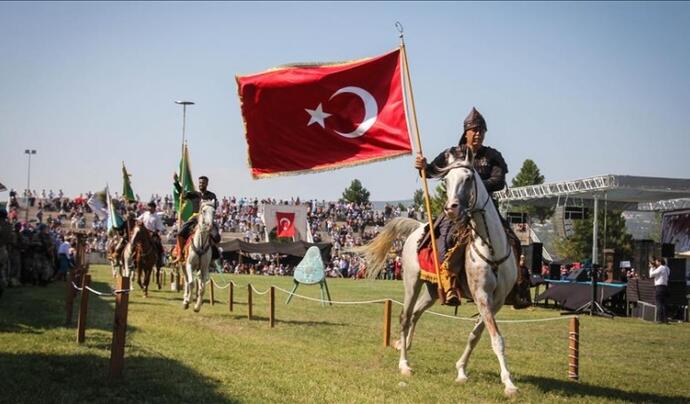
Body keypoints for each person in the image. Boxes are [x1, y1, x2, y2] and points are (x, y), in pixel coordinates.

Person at [414, 107, 512, 305]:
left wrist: (476, 186)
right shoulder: (452, 154)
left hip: (485, 210)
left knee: (511, 238)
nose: (478, 135)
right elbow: (432, 172)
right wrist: (422, 167)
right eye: (474, 130)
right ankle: (449, 283)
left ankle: (519, 284)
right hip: (456, 209)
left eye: (481, 131)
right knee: (443, 240)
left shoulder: (492, 155)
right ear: (465, 132)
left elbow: (499, 180)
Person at [173, 175, 219, 261]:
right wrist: (176, 182)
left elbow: (214, 206)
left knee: (216, 236)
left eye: (203, 183)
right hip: (195, 218)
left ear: (207, 184)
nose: (201, 184)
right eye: (200, 182)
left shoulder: (212, 195)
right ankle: (180, 254)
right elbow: (182, 194)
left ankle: (212, 256)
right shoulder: (194, 194)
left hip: (207, 219)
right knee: (180, 233)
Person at [137, 201, 166, 267]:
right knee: (135, 241)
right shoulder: (145, 214)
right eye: (148, 206)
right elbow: (138, 219)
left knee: (158, 244)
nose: (149, 208)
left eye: (150, 207)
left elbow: (160, 227)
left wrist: (155, 231)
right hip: (143, 233)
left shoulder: (157, 217)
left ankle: (160, 260)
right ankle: (133, 259)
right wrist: (138, 221)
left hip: (152, 234)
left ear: (154, 208)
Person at [649, 257, 670, 323]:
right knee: (664, 304)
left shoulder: (661, 268)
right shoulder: (667, 268)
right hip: (665, 287)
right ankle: (665, 319)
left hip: (659, 287)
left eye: (657, 262)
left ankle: (659, 320)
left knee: (659, 303)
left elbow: (651, 275)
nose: (656, 263)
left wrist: (652, 267)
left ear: (660, 262)